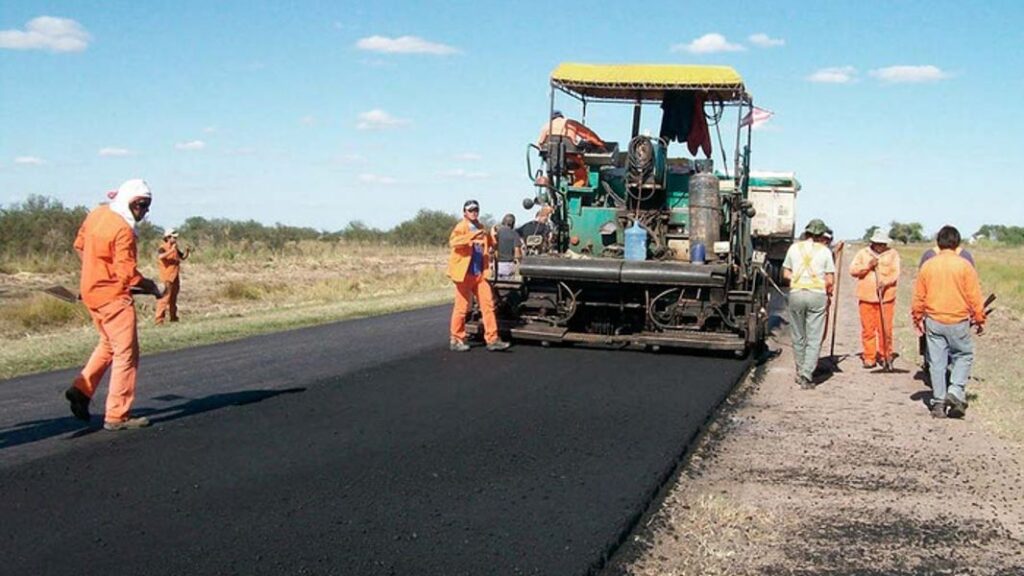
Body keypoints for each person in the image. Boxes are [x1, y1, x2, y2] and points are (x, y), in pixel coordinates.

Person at [64, 179, 163, 430]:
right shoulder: (123, 230)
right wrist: (152, 287)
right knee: (126, 353)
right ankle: (117, 415)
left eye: (147, 206)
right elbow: (129, 275)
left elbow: (79, 246)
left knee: (109, 343)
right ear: (130, 201)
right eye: (142, 205)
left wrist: (97, 272)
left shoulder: (97, 214)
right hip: (113, 299)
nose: (144, 211)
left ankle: (81, 390)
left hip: (91, 292)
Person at [912, 225, 986, 419]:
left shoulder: (928, 266)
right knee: (964, 355)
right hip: (958, 320)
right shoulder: (965, 266)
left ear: (938, 243)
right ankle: (955, 390)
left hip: (934, 320)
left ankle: (938, 402)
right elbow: (974, 296)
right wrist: (979, 319)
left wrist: (917, 317)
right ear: (957, 243)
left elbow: (919, 296)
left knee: (936, 362)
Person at [447, 200, 510, 352]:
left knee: (488, 306)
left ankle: (492, 339)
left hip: (480, 274)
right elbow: (454, 242)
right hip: (464, 275)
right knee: (462, 308)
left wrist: (494, 237)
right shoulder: (461, 227)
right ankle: (456, 339)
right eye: (470, 210)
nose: (474, 212)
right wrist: (472, 235)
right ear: (465, 213)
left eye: (476, 210)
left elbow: (490, 245)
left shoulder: (482, 228)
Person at [782, 218, 836, 389]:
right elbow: (830, 279)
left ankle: (800, 370)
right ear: (821, 234)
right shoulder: (825, 252)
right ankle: (806, 375)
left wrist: (798, 279)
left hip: (796, 294)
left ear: (807, 232)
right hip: (816, 295)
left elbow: (785, 274)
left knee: (798, 335)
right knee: (814, 337)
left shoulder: (794, 248)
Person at [849, 228, 901, 368]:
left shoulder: (893, 254)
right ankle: (869, 357)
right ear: (873, 242)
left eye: (883, 244)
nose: (880, 246)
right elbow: (853, 270)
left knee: (885, 329)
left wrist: (885, 282)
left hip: (886, 298)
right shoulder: (863, 253)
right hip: (866, 298)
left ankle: (885, 355)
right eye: (878, 243)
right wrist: (867, 266)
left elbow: (895, 273)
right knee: (868, 329)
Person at [537, 110, 605, 187]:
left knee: (557, 171)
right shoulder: (570, 123)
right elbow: (589, 135)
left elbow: (540, 144)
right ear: (562, 117)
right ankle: (577, 189)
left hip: (551, 161)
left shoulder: (546, 126)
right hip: (570, 159)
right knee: (582, 174)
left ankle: (555, 187)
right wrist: (600, 144)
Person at [155, 228, 191, 324]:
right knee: (164, 298)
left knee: (173, 298)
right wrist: (171, 250)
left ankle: (173, 317)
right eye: (173, 237)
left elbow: (182, 257)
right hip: (166, 277)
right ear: (168, 237)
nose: (175, 239)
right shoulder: (163, 247)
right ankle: (159, 319)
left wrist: (187, 251)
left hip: (175, 276)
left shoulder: (175, 248)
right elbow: (160, 256)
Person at [494, 214, 523, 280]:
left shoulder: (498, 233)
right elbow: (517, 252)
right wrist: (521, 261)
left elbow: (493, 247)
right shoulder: (514, 234)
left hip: (497, 264)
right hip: (509, 265)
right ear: (513, 223)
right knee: (508, 284)